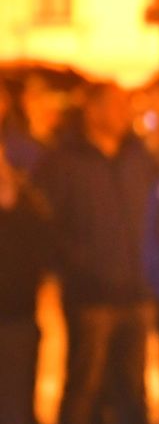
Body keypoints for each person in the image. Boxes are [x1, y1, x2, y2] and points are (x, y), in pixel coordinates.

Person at [32, 83, 159, 424]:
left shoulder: (137, 156)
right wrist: (78, 265)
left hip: (135, 291)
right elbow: (45, 223)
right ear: (93, 110)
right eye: (116, 106)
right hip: (90, 295)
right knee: (85, 388)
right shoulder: (64, 160)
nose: (123, 114)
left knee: (132, 389)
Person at [0, 142, 53, 424]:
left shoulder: (25, 198)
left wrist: (14, 202)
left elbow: (43, 242)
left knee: (18, 403)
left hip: (19, 315)